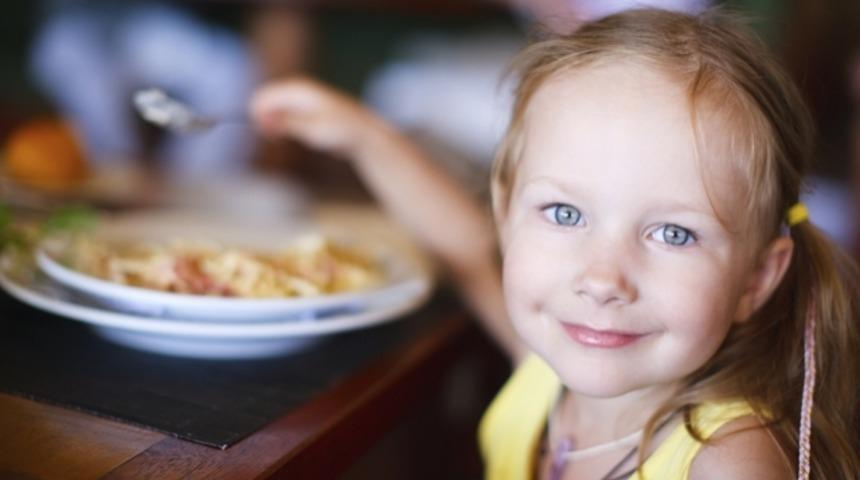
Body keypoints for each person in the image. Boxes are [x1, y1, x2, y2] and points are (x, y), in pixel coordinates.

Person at [251, 8, 860, 478]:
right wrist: (363, 137)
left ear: (757, 279)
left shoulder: (727, 464)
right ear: (506, 214)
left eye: (673, 233)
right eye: (565, 213)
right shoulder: (545, 372)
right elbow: (465, 246)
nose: (601, 279)